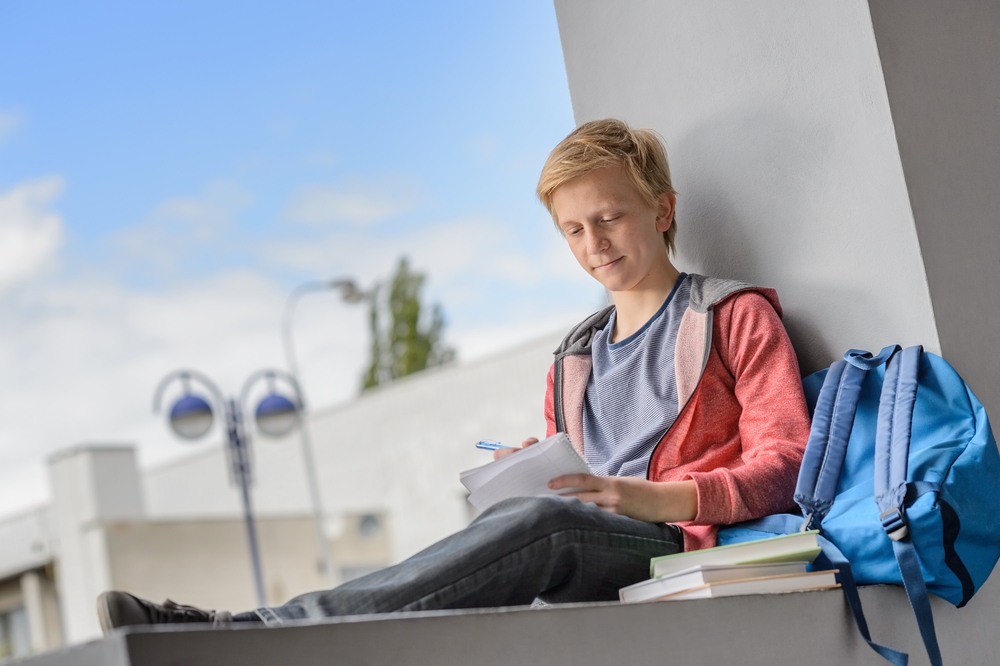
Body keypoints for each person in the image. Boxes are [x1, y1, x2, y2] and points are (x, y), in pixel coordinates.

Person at [97, 118, 810, 632]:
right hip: (590, 539)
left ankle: (251, 631)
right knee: (522, 518)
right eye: (573, 230)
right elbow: (581, 483)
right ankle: (254, 627)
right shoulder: (575, 359)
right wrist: (541, 468)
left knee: (542, 526)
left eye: (610, 218)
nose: (593, 244)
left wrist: (654, 498)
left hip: (675, 540)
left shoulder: (732, 315)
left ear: (663, 209)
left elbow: (786, 465)